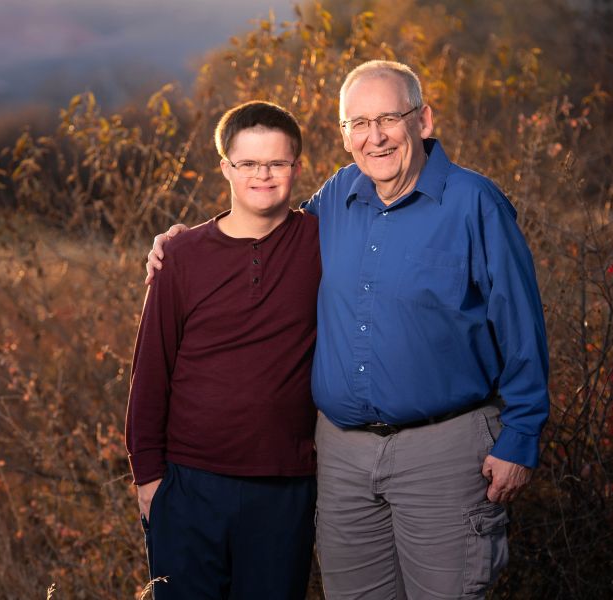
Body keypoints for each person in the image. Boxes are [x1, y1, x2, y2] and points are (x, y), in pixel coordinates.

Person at [146, 60, 549, 599]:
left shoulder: (475, 203)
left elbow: (522, 324)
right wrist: (182, 241)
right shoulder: (337, 198)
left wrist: (522, 436)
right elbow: (263, 226)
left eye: (389, 118)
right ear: (342, 135)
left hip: (443, 452)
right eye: (358, 123)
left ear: (423, 120)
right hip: (342, 461)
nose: (374, 137)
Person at [126, 100, 321, 599]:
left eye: (277, 163)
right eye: (248, 163)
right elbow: (151, 369)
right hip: (189, 484)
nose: (263, 175)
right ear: (225, 169)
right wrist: (148, 477)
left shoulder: (322, 241)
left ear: (296, 168)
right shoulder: (182, 255)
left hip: (284, 482)